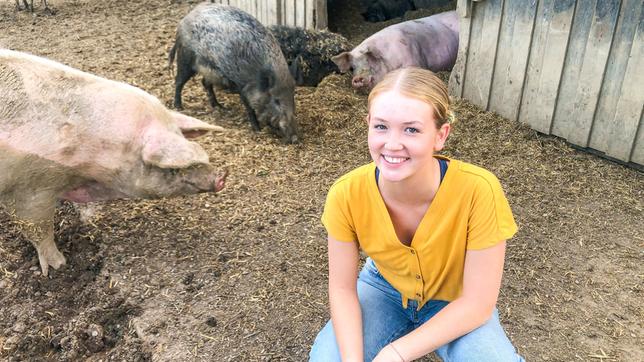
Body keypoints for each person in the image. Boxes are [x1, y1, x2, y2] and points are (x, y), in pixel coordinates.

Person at [309, 67, 524, 362]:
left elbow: (477, 303)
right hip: (383, 287)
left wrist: (397, 353)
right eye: (381, 127)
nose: (393, 144)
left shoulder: (479, 190)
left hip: (455, 298)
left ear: (440, 135)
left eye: (411, 129)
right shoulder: (345, 193)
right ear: (367, 125)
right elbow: (343, 289)